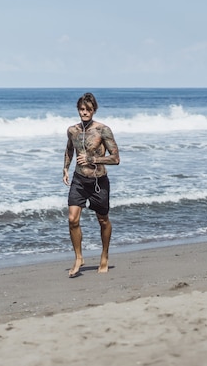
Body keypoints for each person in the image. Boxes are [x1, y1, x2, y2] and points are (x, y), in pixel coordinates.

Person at [63, 93, 120, 277]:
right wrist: (65, 169)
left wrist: (92, 158)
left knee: (103, 220)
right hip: (79, 180)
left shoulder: (103, 130)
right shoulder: (72, 130)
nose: (84, 112)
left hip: (98, 181)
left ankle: (104, 255)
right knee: (72, 219)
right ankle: (79, 257)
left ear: (94, 110)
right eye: (81, 109)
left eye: (88, 109)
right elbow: (69, 149)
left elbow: (116, 158)